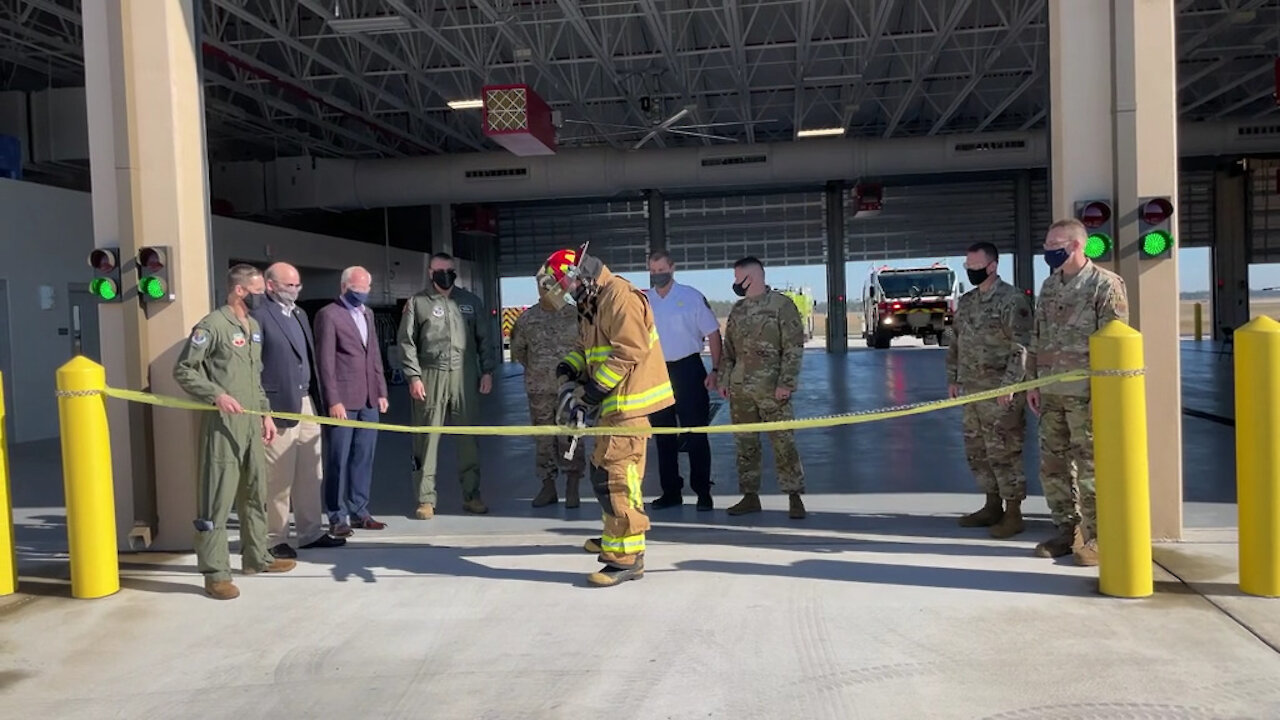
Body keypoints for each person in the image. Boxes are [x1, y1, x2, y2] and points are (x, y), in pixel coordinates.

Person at [537, 246, 674, 586]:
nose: (567, 296)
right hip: (612, 409)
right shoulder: (593, 301)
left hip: (627, 406)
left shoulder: (619, 296)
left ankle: (626, 558)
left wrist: (593, 391)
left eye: (565, 287)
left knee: (618, 480)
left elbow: (629, 350)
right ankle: (614, 538)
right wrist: (571, 367)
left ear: (577, 276)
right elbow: (590, 349)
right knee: (603, 472)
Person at [173, 264, 295, 600]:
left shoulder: (253, 327)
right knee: (217, 499)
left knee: (255, 491)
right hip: (222, 427)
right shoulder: (212, 326)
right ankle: (215, 573)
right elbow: (184, 370)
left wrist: (266, 415)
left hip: (251, 424)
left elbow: (254, 377)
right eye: (257, 291)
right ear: (240, 290)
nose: (263, 296)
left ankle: (257, 557)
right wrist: (216, 394)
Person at [1027, 219, 1129, 566]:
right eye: (1046, 243)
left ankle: (1099, 538)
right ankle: (1066, 531)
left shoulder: (1105, 285)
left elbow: (1115, 341)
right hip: (1052, 391)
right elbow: (1037, 339)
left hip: (1087, 393)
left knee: (1091, 469)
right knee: (1053, 466)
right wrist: (1034, 382)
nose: (1047, 249)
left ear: (1075, 245)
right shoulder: (1050, 286)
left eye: (1054, 243)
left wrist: (1107, 393)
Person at [250, 262, 345, 558]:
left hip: (306, 403)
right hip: (278, 406)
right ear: (270, 285)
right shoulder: (259, 316)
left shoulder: (300, 314)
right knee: (278, 476)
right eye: (288, 285)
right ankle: (274, 537)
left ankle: (310, 531)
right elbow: (254, 367)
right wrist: (263, 410)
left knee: (309, 472)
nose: (294, 290)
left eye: (297, 285)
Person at [398, 252, 497, 518]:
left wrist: (487, 371)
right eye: (439, 270)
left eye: (449, 270)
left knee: (468, 438)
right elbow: (406, 342)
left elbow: (484, 339)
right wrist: (414, 377)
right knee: (426, 439)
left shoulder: (470, 302)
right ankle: (425, 499)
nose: (445, 274)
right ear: (430, 273)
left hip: (464, 375)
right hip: (430, 375)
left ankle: (472, 495)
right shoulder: (418, 303)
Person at [945, 242, 1033, 539]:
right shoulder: (967, 302)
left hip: (1000, 393)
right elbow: (955, 342)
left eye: (975, 266)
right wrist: (954, 378)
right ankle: (991, 504)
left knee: (1004, 452)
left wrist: (1010, 385)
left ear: (992, 266)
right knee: (977, 452)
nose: (970, 271)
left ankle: (1013, 512)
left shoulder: (1012, 299)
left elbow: (1021, 346)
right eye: (967, 267)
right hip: (972, 391)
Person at [717, 256, 807, 519]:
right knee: (745, 444)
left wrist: (786, 384)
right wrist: (724, 380)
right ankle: (749, 496)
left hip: (772, 390)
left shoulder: (782, 306)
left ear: (751, 278)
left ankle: (794, 497)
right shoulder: (738, 310)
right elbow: (728, 351)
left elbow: (793, 348)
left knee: (783, 442)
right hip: (741, 390)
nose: (734, 283)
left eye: (737, 278)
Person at [643, 250, 722, 511]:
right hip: (657, 372)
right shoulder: (644, 300)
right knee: (664, 436)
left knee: (696, 432)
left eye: (661, 269)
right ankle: (671, 492)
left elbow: (712, 334)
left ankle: (702, 492)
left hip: (688, 369)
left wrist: (716, 369)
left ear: (672, 267)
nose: (657, 275)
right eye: (653, 271)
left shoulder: (690, 297)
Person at [314, 266, 390, 535]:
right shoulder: (329, 315)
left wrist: (381, 390)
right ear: (345, 287)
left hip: (369, 399)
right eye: (358, 290)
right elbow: (324, 363)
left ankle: (360, 511)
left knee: (363, 458)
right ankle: (337, 515)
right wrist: (332, 399)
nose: (363, 294)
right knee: (338, 458)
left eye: (366, 289)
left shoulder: (367, 314)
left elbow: (374, 355)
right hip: (343, 402)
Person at [508, 293, 586, 507]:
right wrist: (538, 371)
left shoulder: (576, 315)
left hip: (569, 388)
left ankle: (572, 486)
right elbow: (518, 351)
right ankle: (548, 485)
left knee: (571, 437)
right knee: (543, 438)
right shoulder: (527, 318)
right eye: (541, 285)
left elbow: (587, 346)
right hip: (539, 389)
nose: (545, 290)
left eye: (550, 284)